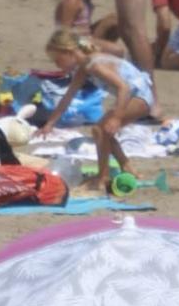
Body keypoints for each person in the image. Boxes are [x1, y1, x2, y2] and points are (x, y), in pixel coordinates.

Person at [38, 28, 162, 195]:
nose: (57, 65)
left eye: (58, 60)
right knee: (105, 131)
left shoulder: (94, 64)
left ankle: (102, 177)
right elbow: (68, 97)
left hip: (140, 95)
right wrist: (50, 124)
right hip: (132, 96)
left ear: (68, 52)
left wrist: (117, 118)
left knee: (100, 129)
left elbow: (123, 88)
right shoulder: (83, 68)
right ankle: (127, 168)